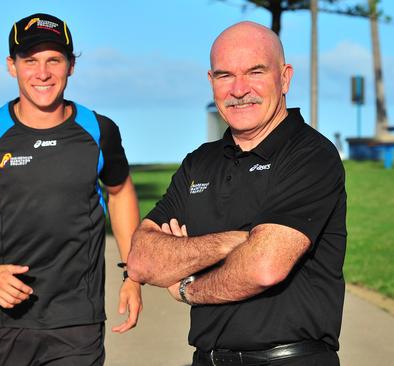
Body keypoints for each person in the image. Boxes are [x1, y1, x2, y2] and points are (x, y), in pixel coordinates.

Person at [128, 21, 346, 366]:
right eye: (225, 75)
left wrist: (188, 288)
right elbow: (141, 258)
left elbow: (265, 267)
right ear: (211, 81)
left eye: (255, 71)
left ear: (285, 77)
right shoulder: (199, 163)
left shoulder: (310, 155)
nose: (239, 89)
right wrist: (234, 241)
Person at [0, 13, 142, 365]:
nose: (42, 73)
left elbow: (120, 192)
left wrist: (133, 273)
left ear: (71, 65)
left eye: (54, 60)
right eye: (29, 61)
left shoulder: (99, 130)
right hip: (9, 318)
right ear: (11, 66)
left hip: (79, 316)